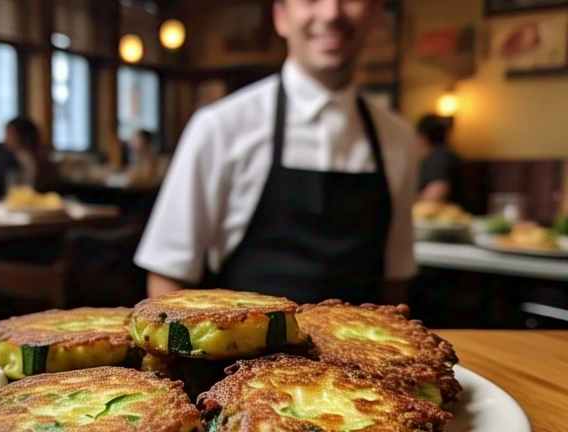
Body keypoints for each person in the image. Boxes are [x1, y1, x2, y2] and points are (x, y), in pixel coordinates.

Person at [135, 0, 418, 305]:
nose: (331, 12)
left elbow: (395, 281)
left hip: (363, 349)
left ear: (374, 15)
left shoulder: (399, 138)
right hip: (242, 351)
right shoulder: (221, 127)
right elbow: (167, 274)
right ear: (281, 17)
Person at [417, 114, 461, 203]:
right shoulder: (445, 154)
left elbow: (436, 193)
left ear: (423, 136)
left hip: (440, 213)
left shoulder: (439, 158)